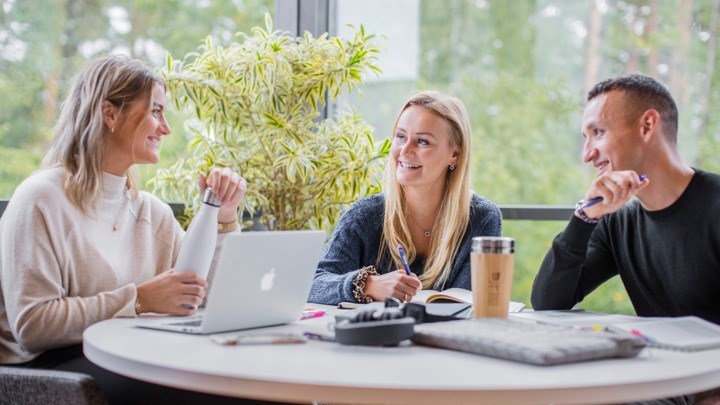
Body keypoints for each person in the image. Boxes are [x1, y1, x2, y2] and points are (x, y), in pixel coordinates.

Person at [0, 55, 262, 404]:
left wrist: (224, 218)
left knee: (246, 384)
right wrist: (139, 299)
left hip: (131, 351)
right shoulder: (40, 200)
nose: (166, 128)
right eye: (155, 111)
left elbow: (209, 294)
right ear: (110, 114)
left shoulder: (151, 212)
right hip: (51, 369)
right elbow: (33, 325)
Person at [531, 73, 720, 404]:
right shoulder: (617, 223)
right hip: (659, 384)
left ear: (647, 126)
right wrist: (584, 217)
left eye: (598, 133)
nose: (587, 154)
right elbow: (548, 301)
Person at [308, 91, 502, 305]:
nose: (405, 150)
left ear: (454, 155)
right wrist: (368, 285)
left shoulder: (482, 217)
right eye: (400, 137)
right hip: (378, 337)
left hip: (448, 337)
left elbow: (468, 302)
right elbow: (313, 285)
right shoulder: (365, 215)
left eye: (422, 141)